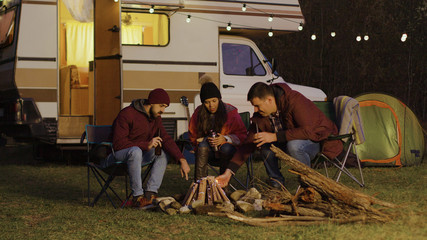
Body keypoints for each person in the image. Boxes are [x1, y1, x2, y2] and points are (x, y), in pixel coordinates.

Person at [216, 82, 343, 188]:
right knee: (265, 146)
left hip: (317, 140)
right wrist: (228, 173)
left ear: (269, 100)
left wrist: (275, 137)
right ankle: (277, 185)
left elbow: (308, 131)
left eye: (257, 105)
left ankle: (308, 184)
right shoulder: (260, 116)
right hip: (288, 143)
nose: (255, 110)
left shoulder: (294, 100)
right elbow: (247, 146)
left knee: (294, 145)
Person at [102, 88, 191, 208]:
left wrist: (182, 159)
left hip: (136, 156)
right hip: (114, 156)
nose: (163, 110)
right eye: (161, 106)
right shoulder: (127, 114)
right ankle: (137, 198)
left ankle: (150, 195)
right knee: (136, 151)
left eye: (165, 107)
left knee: (162, 153)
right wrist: (146, 145)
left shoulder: (155, 118)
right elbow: (118, 144)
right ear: (152, 102)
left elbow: (165, 138)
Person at [189, 82, 247, 181]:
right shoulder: (199, 113)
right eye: (207, 102)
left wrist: (225, 138)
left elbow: (242, 136)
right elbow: (193, 135)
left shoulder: (230, 112)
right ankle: (200, 185)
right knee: (202, 146)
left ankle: (223, 186)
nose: (211, 105)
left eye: (214, 101)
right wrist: (204, 140)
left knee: (225, 147)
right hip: (208, 152)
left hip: (229, 152)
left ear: (219, 99)